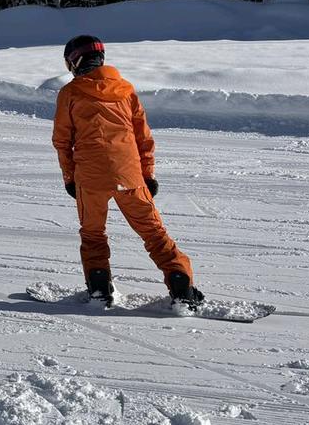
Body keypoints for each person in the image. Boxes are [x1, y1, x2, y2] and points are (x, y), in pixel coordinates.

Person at [52, 34, 204, 310]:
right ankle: (181, 284)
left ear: (75, 62)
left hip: (90, 178)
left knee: (93, 234)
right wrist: (148, 174)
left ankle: (99, 289)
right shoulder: (125, 88)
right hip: (129, 175)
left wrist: (70, 178)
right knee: (153, 233)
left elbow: (62, 141)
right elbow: (143, 137)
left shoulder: (70, 93)